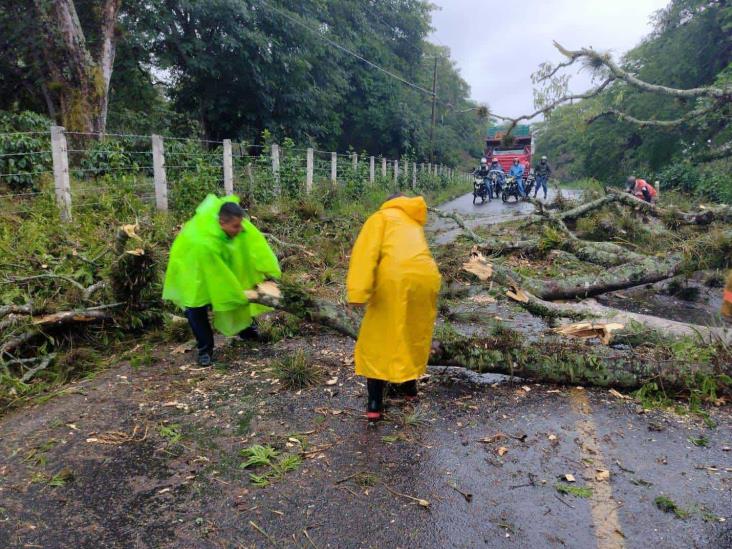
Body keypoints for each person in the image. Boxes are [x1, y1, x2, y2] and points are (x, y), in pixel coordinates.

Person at [346, 193, 441, 422]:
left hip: (395, 279)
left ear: (387, 202)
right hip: (426, 278)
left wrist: (358, 292)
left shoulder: (381, 217)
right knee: (410, 332)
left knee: (378, 337)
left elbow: (365, 254)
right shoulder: (412, 222)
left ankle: (375, 404)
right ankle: (410, 389)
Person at [163, 194, 281, 366]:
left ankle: (245, 329)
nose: (239, 229)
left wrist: (269, 273)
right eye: (235, 226)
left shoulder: (239, 226)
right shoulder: (203, 242)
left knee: (241, 286)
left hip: (220, 260)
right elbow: (220, 279)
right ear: (221, 223)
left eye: (240, 224)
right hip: (194, 270)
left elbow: (257, 247)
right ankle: (205, 349)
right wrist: (236, 293)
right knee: (196, 307)